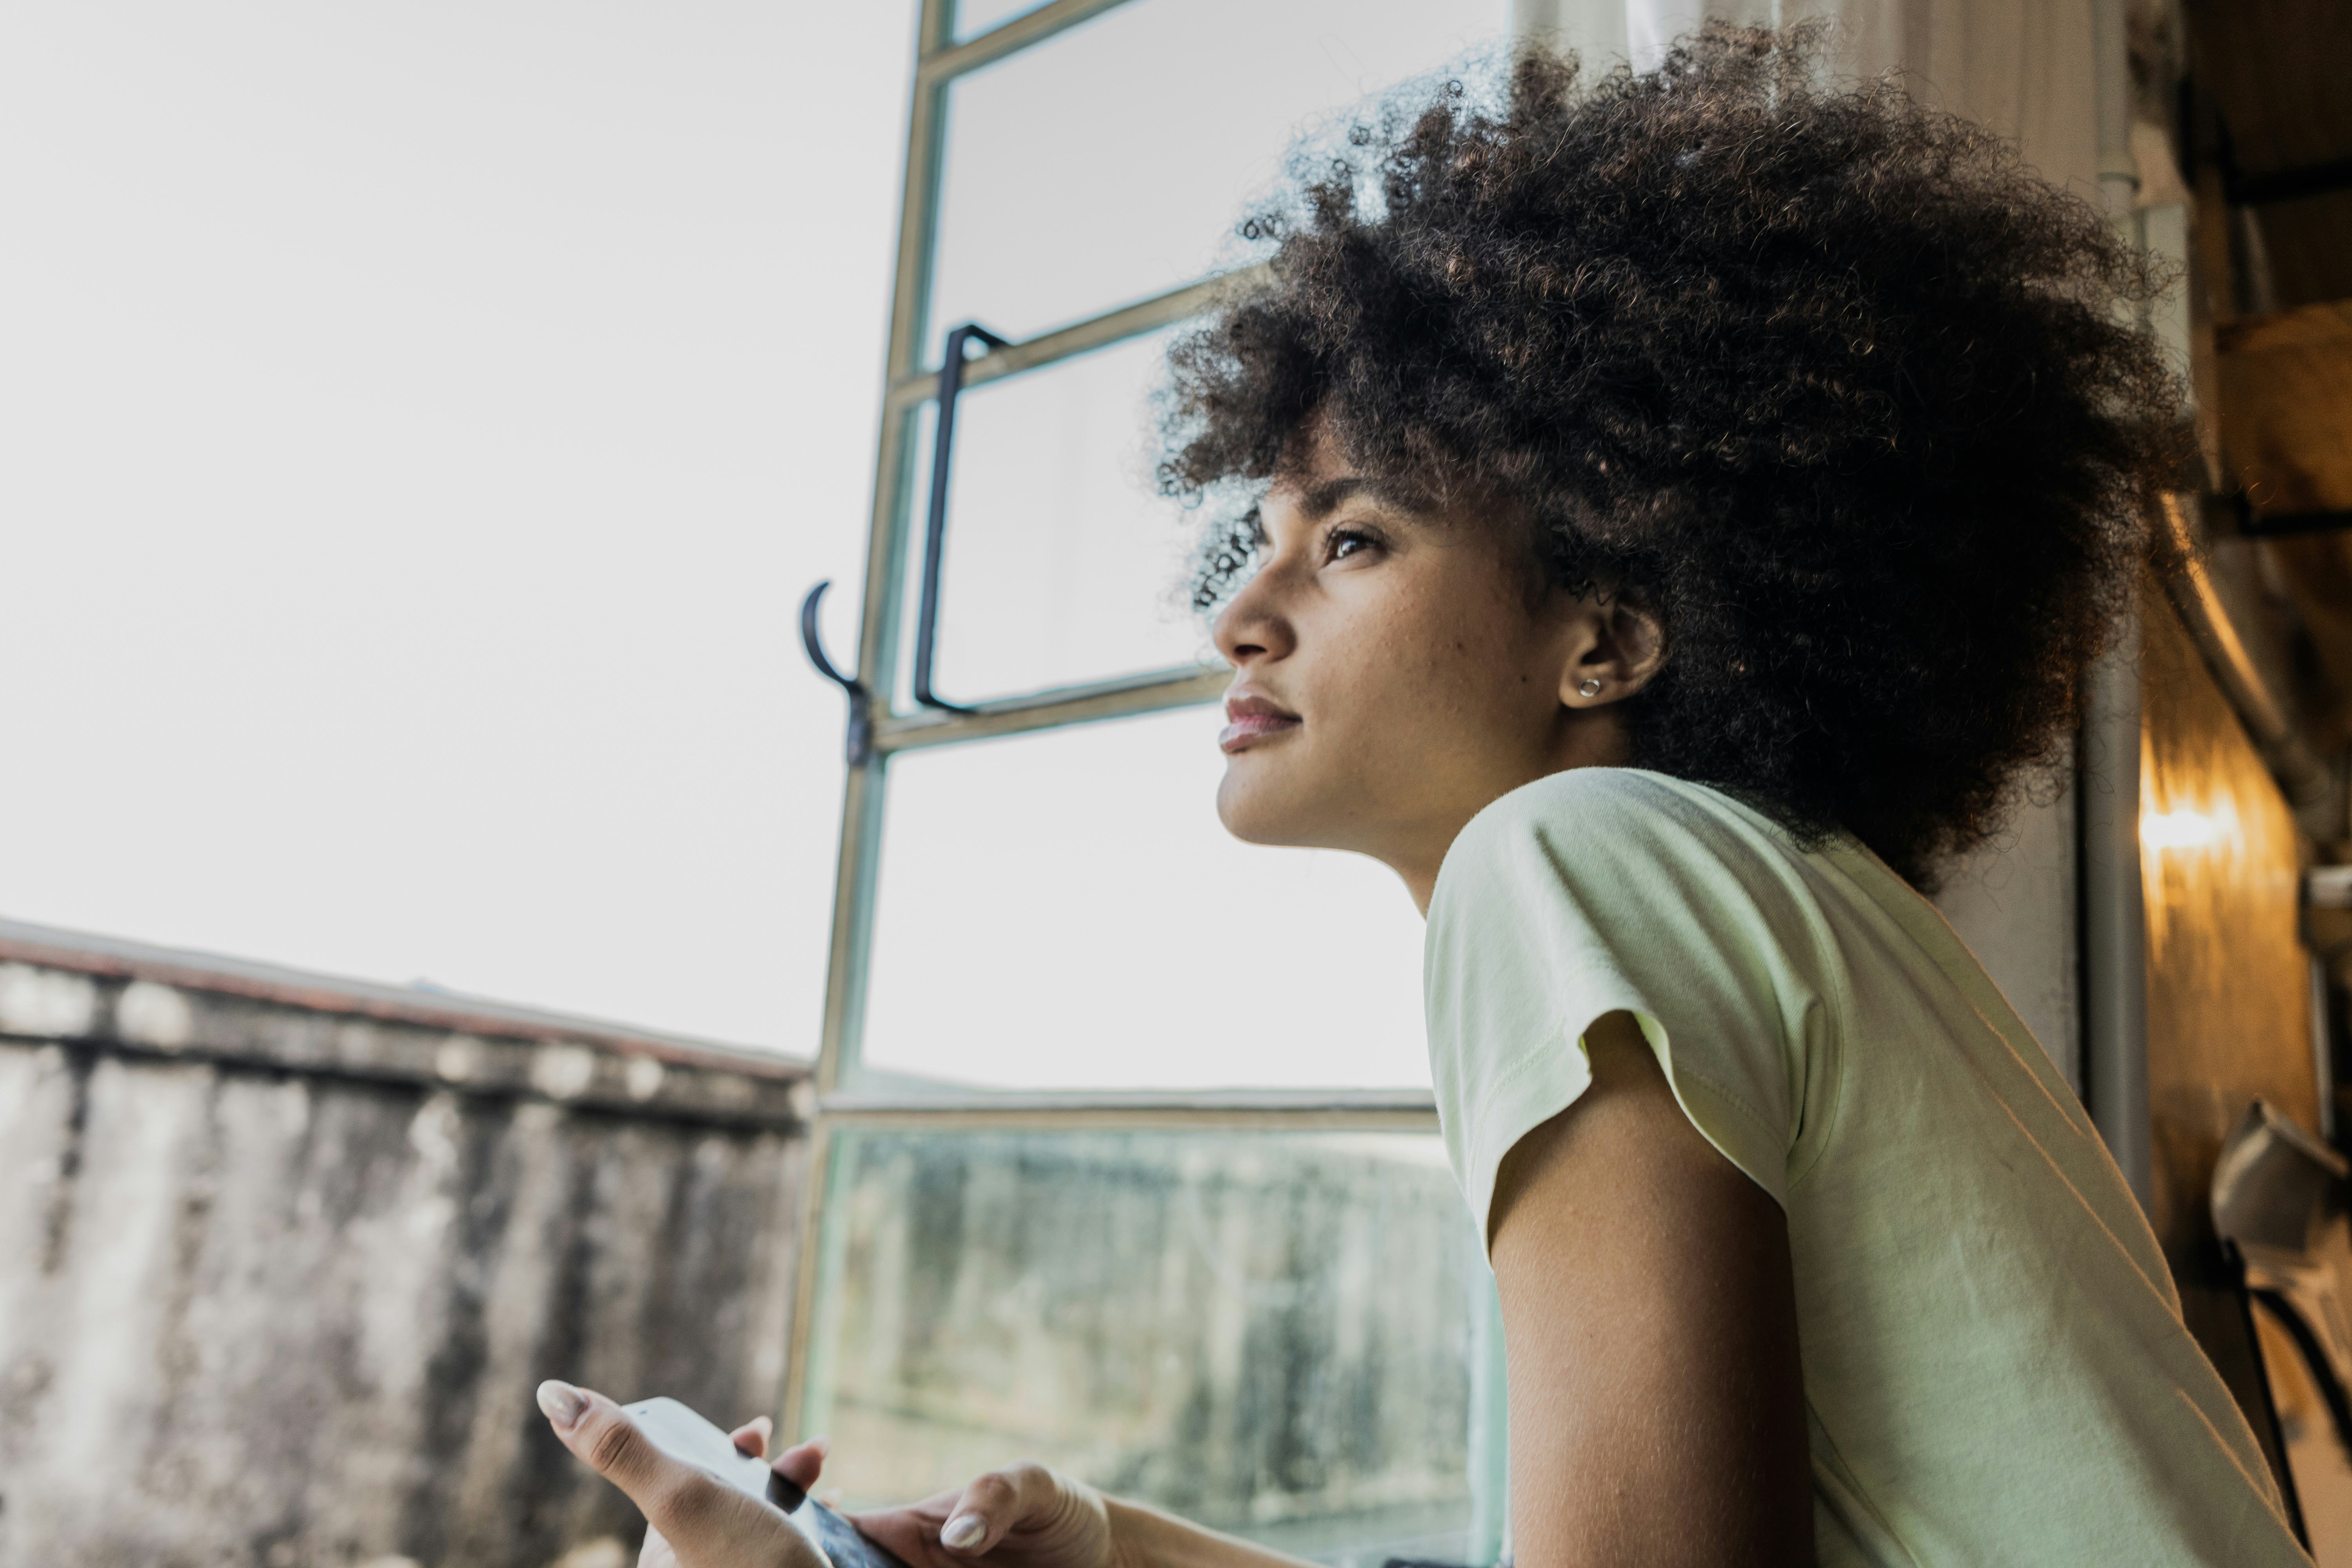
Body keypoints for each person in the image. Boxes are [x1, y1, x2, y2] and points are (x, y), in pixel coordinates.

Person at [539, 24, 2308, 1567]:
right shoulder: (1788, 895)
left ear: (1603, 641)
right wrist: (1126, 1553)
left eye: (1356, 537)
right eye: (1266, 538)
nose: (1240, 611)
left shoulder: (1570, 860)